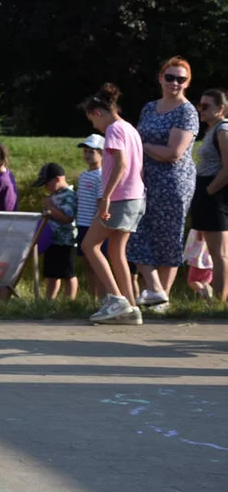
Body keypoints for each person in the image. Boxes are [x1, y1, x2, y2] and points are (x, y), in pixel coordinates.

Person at [127, 57, 199, 311]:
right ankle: (156, 288)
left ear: (188, 82)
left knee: (169, 237)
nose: (175, 83)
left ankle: (162, 299)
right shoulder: (149, 108)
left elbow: (173, 152)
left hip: (173, 183)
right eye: (170, 77)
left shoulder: (187, 111)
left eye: (181, 79)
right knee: (137, 232)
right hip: (144, 180)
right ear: (160, 78)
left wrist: (143, 146)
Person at [80, 82, 146, 324]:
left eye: (92, 121)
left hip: (120, 197)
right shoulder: (130, 128)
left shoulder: (114, 130)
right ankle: (130, 306)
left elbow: (121, 164)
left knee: (89, 245)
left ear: (98, 113)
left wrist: (105, 196)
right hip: (136, 197)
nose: (94, 126)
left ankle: (116, 300)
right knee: (117, 251)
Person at [190, 88, 228, 300]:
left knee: (219, 253)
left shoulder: (223, 129)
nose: (201, 110)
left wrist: (209, 191)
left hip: (216, 194)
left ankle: (221, 302)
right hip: (208, 191)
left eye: (206, 106)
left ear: (220, 108)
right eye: (199, 105)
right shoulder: (213, 129)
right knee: (214, 252)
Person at [34, 162, 78, 300]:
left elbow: (67, 217)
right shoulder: (54, 195)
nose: (46, 187)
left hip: (66, 241)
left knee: (67, 273)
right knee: (52, 274)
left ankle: (69, 301)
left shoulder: (69, 196)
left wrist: (49, 207)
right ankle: (49, 300)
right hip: (51, 241)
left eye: (47, 183)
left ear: (58, 179)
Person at [75, 134, 107, 299]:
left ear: (102, 154)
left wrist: (98, 221)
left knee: (97, 263)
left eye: (92, 152)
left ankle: (103, 297)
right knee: (88, 263)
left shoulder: (102, 176)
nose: (87, 155)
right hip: (82, 223)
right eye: (86, 151)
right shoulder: (83, 175)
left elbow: (101, 202)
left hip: (94, 225)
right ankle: (92, 297)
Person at [183, 229, 214, 300]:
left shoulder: (200, 226)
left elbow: (200, 238)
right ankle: (205, 295)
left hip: (198, 261)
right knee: (204, 282)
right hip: (210, 262)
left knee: (192, 281)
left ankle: (203, 291)